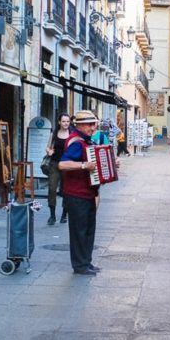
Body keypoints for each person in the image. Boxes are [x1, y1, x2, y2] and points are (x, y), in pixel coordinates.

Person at [59, 110, 117, 275]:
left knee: (88, 230)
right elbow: (63, 165)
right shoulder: (76, 142)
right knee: (80, 231)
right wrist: (84, 165)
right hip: (77, 194)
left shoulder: (86, 141)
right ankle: (80, 265)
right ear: (79, 125)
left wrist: (112, 163)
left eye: (94, 124)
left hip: (87, 193)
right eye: (90, 125)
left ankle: (86, 262)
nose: (93, 128)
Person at [43, 113, 71, 226]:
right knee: (52, 188)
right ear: (59, 122)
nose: (65, 123)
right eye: (63, 121)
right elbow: (48, 146)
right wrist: (48, 151)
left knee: (66, 190)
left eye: (67, 121)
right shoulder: (54, 134)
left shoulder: (72, 135)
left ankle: (64, 214)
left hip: (67, 165)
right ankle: (52, 215)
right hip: (54, 164)